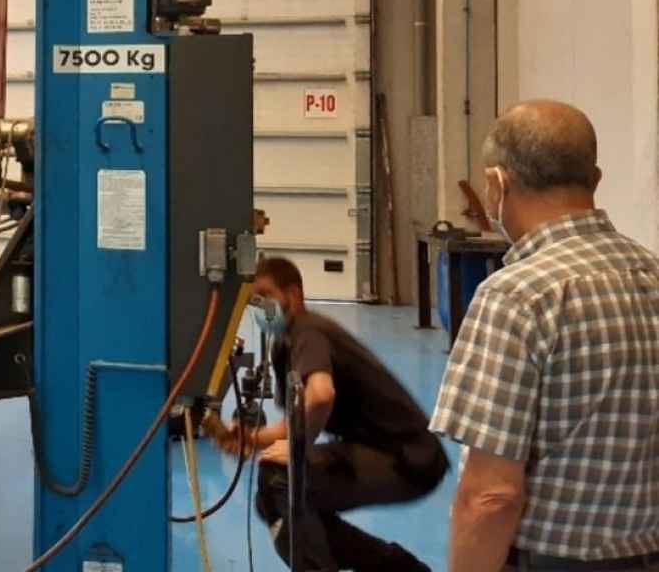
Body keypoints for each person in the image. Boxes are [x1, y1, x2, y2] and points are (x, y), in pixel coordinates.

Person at [431, 100, 659, 571]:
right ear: (595, 181)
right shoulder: (651, 275)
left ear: (497, 184)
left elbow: (491, 495)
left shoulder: (517, 297)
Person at [226, 256, 447, 572]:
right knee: (275, 501)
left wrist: (297, 449)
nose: (260, 306)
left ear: (293, 295)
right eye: (254, 300)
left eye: (266, 295)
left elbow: (320, 395)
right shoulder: (286, 343)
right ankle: (396, 567)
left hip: (408, 458)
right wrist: (252, 439)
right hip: (385, 453)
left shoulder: (307, 331)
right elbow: (299, 418)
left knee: (281, 482)